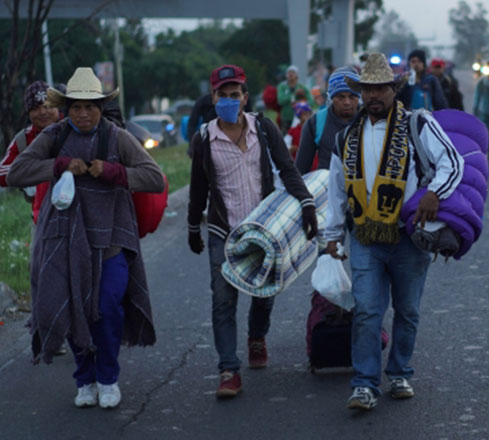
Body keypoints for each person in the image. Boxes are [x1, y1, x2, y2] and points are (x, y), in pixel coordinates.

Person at [7, 67, 165, 409]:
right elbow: (17, 171)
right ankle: (85, 379)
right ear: (66, 108)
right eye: (76, 106)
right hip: (63, 239)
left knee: (106, 306)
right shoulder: (55, 136)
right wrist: (60, 164)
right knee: (71, 307)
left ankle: (108, 377)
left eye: (90, 106)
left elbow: (155, 178)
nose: (83, 113)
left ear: (101, 107)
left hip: (110, 241)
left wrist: (113, 172)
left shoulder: (117, 137)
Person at [324, 53, 464, 410]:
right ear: (359, 93)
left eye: (380, 88)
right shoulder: (346, 139)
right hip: (364, 237)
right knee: (367, 309)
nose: (373, 96)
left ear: (393, 90)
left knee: (407, 310)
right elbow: (337, 190)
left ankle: (400, 372)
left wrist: (435, 193)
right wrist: (332, 236)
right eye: (367, 89)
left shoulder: (418, 124)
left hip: (408, 235)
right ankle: (365, 383)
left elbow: (453, 161)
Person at [187, 64, 318, 398]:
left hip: (262, 226)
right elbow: (198, 187)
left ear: (245, 97)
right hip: (222, 229)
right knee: (223, 299)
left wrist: (305, 202)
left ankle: (257, 336)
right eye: (223, 95)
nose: (229, 100)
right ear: (213, 98)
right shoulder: (204, 138)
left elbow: (287, 169)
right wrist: (192, 227)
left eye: (235, 95)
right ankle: (229, 369)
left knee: (265, 291)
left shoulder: (263, 128)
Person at [0, 80, 61, 224]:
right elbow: (0, 174)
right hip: (42, 221)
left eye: (48, 105)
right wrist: (38, 168)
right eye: (36, 108)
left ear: (58, 107)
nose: (43, 112)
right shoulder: (23, 139)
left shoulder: (72, 127)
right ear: (28, 113)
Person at [294, 66, 361, 174]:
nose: (347, 102)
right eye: (341, 97)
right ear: (331, 98)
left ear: (359, 97)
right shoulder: (316, 123)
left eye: (352, 96)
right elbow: (301, 168)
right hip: (327, 185)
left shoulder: (369, 120)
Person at [276, 65, 314, 132]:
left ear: (297, 75)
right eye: (289, 72)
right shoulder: (282, 86)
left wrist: (301, 102)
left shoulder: (302, 87)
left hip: (300, 119)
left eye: (293, 72)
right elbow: (280, 100)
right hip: (287, 118)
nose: (291, 74)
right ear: (286, 75)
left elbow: (311, 102)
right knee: (285, 139)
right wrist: (293, 95)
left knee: (299, 137)